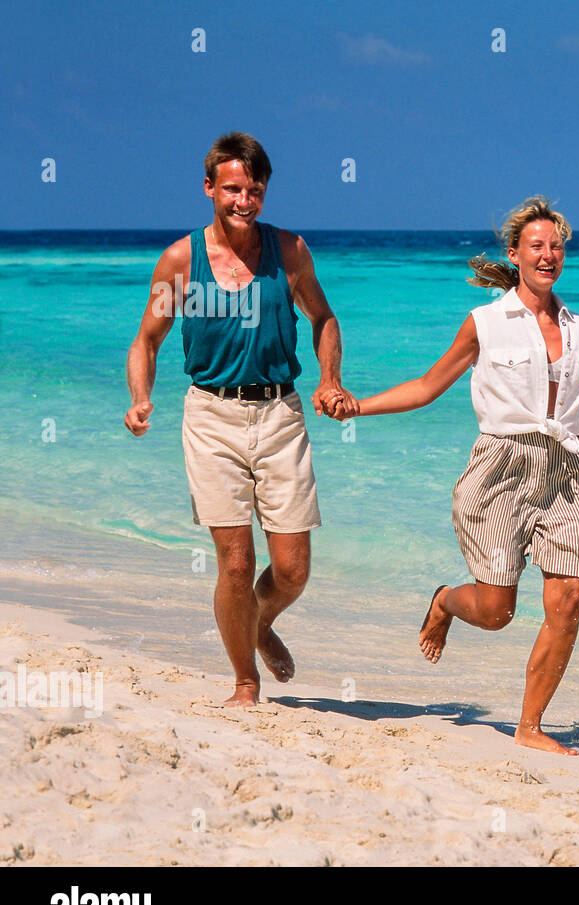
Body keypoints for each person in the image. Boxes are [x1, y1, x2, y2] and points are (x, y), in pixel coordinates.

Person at [327, 197, 579, 755]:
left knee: (568, 599)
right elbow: (428, 386)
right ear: (515, 254)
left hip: (565, 476)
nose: (548, 256)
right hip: (499, 469)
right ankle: (447, 601)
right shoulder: (486, 323)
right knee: (497, 612)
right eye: (537, 246)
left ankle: (530, 726)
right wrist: (358, 407)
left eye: (556, 247)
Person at [123, 131, 357, 706]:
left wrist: (330, 379)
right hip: (211, 415)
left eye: (254, 190)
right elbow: (147, 341)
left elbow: (325, 319)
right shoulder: (182, 259)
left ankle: (257, 623)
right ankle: (245, 681)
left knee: (293, 568)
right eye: (231, 189)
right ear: (209, 188)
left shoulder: (290, 252)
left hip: (281, 412)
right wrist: (140, 398)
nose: (243, 201)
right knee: (234, 561)